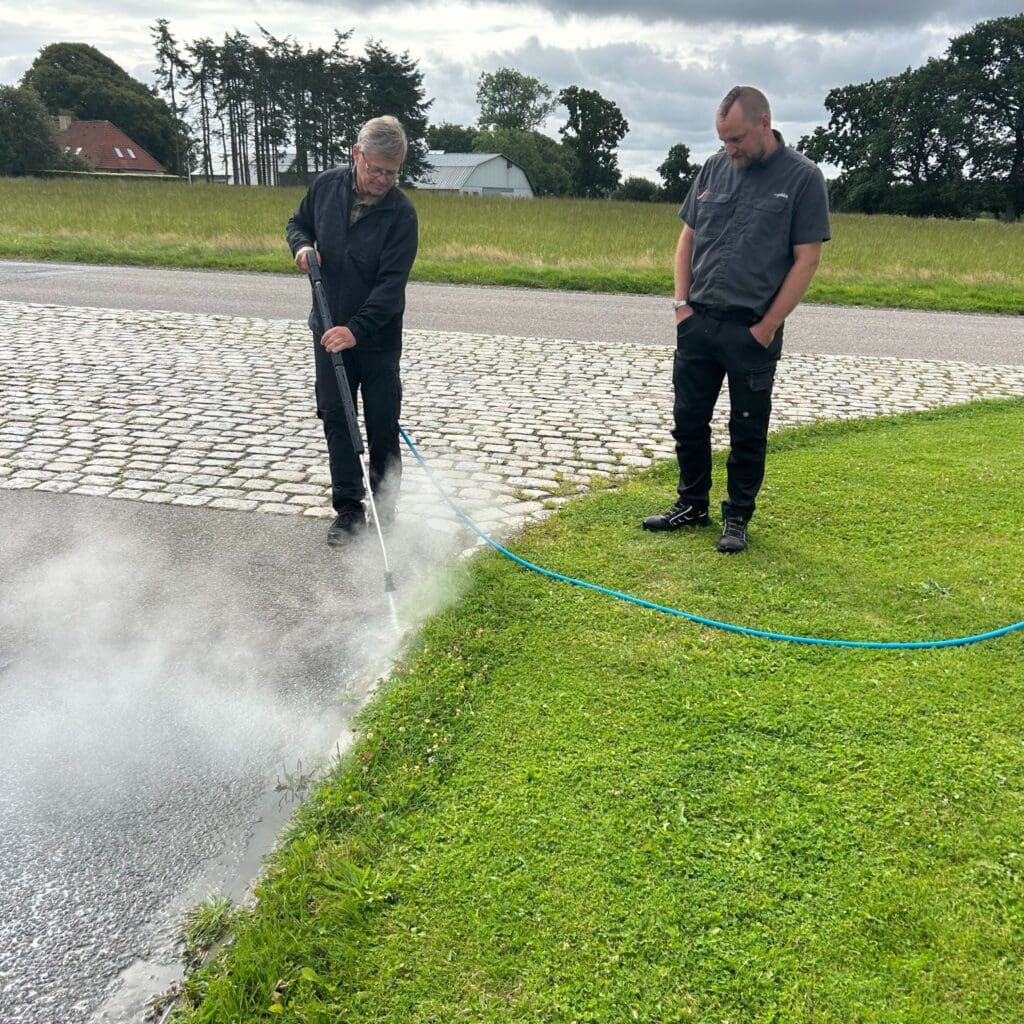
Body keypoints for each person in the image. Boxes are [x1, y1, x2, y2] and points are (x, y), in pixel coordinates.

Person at [643, 85, 830, 553]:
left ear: (764, 124)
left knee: (747, 428)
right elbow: (686, 239)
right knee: (688, 420)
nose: (730, 149)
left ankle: (737, 518)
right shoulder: (712, 168)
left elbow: (806, 260)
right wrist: (681, 306)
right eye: (723, 139)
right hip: (698, 321)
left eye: (738, 139)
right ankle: (691, 503)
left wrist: (766, 327)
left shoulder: (804, 179)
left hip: (752, 329)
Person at [287, 115, 418, 545]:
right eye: (376, 168)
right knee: (338, 419)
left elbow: (389, 289)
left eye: (392, 172)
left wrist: (355, 331)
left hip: (376, 339)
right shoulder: (325, 187)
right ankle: (349, 511)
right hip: (326, 329)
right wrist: (302, 246)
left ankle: (385, 512)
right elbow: (298, 223)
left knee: (382, 423)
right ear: (356, 154)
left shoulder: (401, 216)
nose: (383, 179)